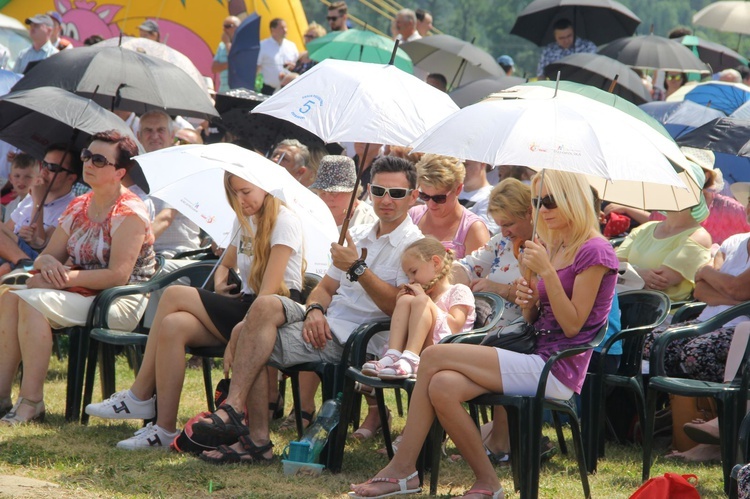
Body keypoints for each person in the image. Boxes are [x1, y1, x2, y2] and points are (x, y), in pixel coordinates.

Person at [349, 169, 618, 498]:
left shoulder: (595, 250)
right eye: (537, 201)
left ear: (571, 200)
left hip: (557, 367)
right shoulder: (556, 243)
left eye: (549, 201)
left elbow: (574, 325)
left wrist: (545, 270)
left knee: (433, 355)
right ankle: (487, 483)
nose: (542, 209)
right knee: (442, 384)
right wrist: (529, 297)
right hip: (533, 353)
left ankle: (403, 469)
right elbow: (536, 318)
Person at [192, 156, 423, 464]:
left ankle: (254, 438)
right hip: (326, 323)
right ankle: (241, 418)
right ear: (368, 190)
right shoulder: (360, 233)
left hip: (360, 341)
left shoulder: (415, 244)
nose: (386, 200)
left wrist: (357, 267)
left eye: (396, 193)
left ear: (413, 197)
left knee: (248, 334)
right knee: (262, 307)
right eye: (379, 190)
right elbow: (324, 288)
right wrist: (314, 308)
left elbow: (398, 307)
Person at [85, 172, 305, 448]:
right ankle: (163, 430)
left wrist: (240, 332)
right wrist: (222, 275)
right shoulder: (245, 220)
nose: (240, 199)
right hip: (245, 303)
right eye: (234, 192)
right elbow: (226, 260)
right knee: (173, 325)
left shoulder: (285, 221)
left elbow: (268, 293)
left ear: (265, 187)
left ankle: (139, 394)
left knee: (175, 294)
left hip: (272, 309)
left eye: (246, 191)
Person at [0, 131, 156, 424]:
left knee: (31, 303)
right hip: (80, 291)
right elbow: (49, 254)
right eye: (87, 155)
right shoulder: (79, 205)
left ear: (120, 172)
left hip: (121, 299)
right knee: (11, 298)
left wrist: (63, 279)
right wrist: (47, 265)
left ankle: (32, 402)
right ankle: (2, 396)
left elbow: (118, 276)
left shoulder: (130, 211)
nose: (89, 163)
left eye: (99, 159)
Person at [640, 181, 750, 384]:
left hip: (741, 330)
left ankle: (714, 411)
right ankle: (684, 414)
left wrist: (710, 276)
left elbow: (735, 288)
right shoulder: (734, 242)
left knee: (694, 353)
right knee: (652, 342)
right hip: (707, 321)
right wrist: (729, 292)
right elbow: (700, 290)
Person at [362, 236, 475, 380]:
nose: (411, 280)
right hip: (425, 349)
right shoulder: (423, 297)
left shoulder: (459, 290)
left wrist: (426, 301)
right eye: (407, 275)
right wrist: (403, 303)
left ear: (435, 263)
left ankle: (411, 358)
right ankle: (393, 354)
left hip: (448, 352)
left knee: (420, 301)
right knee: (405, 300)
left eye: (414, 272)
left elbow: (455, 326)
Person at [615, 162, 712, 302]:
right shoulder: (646, 227)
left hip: (658, 314)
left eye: (673, 186)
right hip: (623, 303)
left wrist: (625, 271)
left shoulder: (698, 236)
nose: (663, 189)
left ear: (692, 194)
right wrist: (639, 272)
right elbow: (610, 267)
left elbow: (659, 281)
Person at [0, 145, 79, 277]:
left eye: (53, 168)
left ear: (71, 178)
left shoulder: (73, 208)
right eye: (44, 164)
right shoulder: (32, 195)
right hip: (11, 253)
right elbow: (6, 230)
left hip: (37, 260)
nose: (45, 171)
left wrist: (38, 202)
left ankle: (22, 264)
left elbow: (43, 245)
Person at [409, 154, 490, 259]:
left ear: (458, 189)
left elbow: (478, 274)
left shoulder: (474, 230)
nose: (431, 204)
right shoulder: (413, 216)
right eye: (424, 196)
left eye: (439, 198)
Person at [310, 155, 376, 229]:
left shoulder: (370, 221)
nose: (328, 198)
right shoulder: (311, 217)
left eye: (334, 192)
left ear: (353, 192)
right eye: (323, 193)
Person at [256, 18, 299, 95]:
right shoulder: (263, 45)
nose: (285, 30)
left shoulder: (292, 46)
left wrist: (293, 66)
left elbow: (297, 64)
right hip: (268, 90)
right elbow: (257, 67)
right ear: (273, 29)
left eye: (286, 27)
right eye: (282, 28)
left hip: (289, 89)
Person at [459, 160, 497, 234]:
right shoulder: (452, 191)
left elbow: (482, 233)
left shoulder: (492, 196)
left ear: (482, 164)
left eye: (465, 165)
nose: (461, 169)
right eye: (458, 164)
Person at [2, 153, 39, 224]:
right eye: (17, 176)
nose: (21, 181)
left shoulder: (37, 205)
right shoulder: (10, 206)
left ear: (37, 179)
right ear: (10, 178)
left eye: (28, 177)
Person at [212, 16, 241, 93]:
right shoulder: (221, 46)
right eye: (223, 26)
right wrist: (230, 64)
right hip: (223, 91)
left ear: (238, 28)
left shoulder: (244, 45)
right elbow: (214, 68)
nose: (224, 29)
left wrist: (227, 43)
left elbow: (238, 64)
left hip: (239, 92)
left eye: (228, 26)